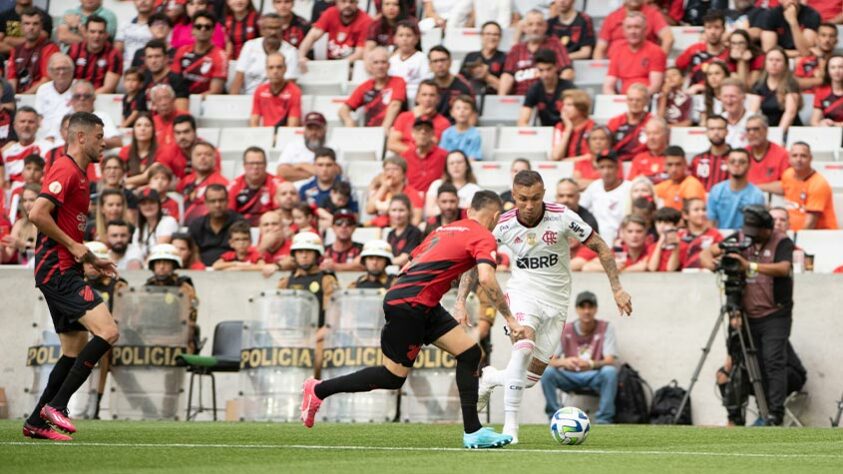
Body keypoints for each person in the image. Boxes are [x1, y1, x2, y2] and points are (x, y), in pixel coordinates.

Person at [302, 191, 522, 449]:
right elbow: (486, 278)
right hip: (412, 304)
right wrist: (511, 319)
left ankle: (473, 432)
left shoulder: (443, 229)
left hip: (418, 301)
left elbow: (414, 263)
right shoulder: (483, 235)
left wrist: (459, 302)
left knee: (470, 353)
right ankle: (318, 390)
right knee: (392, 377)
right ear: (495, 216)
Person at [471, 170, 632, 443]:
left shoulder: (562, 216)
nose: (529, 205)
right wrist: (461, 300)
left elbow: (601, 247)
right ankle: (510, 429)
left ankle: (490, 378)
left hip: (556, 303)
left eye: (535, 198)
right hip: (522, 295)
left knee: (529, 378)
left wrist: (617, 288)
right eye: (523, 199)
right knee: (523, 349)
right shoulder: (505, 224)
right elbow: (472, 257)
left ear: (543, 193)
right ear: (514, 196)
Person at [22, 112, 119, 441]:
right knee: (108, 331)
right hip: (57, 270)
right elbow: (37, 213)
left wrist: (90, 258)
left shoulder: (82, 175)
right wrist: (74, 247)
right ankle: (58, 406)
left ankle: (36, 420)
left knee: (74, 347)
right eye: (99, 136)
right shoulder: (65, 168)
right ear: (81, 137)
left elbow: (67, 230)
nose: (103, 142)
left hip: (65, 268)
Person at [700, 205, 796, 426]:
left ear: (767, 228)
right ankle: (735, 416)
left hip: (775, 314)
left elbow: (783, 268)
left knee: (773, 361)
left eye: (756, 230)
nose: (751, 235)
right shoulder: (741, 237)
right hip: (744, 314)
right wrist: (712, 265)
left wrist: (749, 265)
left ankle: (774, 414)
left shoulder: (782, 242)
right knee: (737, 362)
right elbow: (706, 253)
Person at [540, 291, 619, 424]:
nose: (586, 311)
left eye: (590, 307)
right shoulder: (566, 329)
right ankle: (554, 417)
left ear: (596, 309)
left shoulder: (606, 327)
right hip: (570, 375)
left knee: (610, 372)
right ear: (577, 309)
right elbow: (550, 359)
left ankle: (604, 420)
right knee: (547, 373)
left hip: (594, 375)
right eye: (583, 307)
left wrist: (590, 364)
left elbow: (610, 359)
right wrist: (565, 362)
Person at [278, 231, 339, 378]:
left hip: (317, 336)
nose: (304, 255)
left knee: (316, 359)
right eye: (300, 252)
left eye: (308, 252)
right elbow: (275, 317)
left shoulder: (326, 280)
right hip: (289, 335)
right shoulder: (285, 282)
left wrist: (310, 340)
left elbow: (333, 321)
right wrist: (280, 339)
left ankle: (314, 397)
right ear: (294, 255)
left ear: (317, 255)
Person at [499, 9, 572, 96]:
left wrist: (555, 95)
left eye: (539, 24)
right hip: (520, 97)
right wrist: (501, 100)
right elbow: (507, 76)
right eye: (530, 24)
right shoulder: (516, 49)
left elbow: (567, 71)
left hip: (546, 97)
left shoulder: (555, 44)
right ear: (524, 28)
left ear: (545, 27)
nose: (535, 29)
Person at [144, 242, 199, 353]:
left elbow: (189, 320)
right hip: (149, 336)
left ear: (174, 265)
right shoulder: (146, 287)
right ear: (152, 266)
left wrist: (177, 337)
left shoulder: (184, 287)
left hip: (177, 336)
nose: (162, 267)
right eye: (158, 263)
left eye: (166, 263)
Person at [230, 13, 300, 96]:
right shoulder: (249, 46)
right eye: (270, 28)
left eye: (277, 28)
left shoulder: (291, 51)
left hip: (276, 99)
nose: (273, 32)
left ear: (282, 30)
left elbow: (290, 85)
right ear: (262, 30)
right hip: (249, 98)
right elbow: (238, 78)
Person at [340, 47, 406, 129]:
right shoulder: (365, 86)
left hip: (391, 130)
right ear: (370, 67)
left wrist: (383, 130)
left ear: (389, 65)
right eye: (376, 63)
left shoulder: (398, 81)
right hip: (369, 131)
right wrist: (349, 121)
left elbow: (395, 105)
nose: (380, 66)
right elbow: (344, 109)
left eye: (383, 62)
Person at [603, 11, 666, 96]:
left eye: (637, 27)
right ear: (624, 31)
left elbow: (655, 86)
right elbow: (608, 86)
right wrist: (614, 100)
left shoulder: (656, 51)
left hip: (647, 99)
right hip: (624, 99)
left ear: (645, 30)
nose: (633, 31)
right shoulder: (618, 51)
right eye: (629, 27)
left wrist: (636, 98)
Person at [781, 142, 838, 231]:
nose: (798, 159)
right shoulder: (788, 174)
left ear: (810, 158)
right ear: (789, 159)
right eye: (794, 156)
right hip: (790, 232)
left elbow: (810, 224)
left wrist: (792, 240)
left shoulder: (819, 184)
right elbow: (782, 187)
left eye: (803, 156)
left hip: (819, 235)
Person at [298, 0, 372, 65]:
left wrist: (337, 66)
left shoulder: (366, 20)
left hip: (352, 65)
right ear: (336, 2)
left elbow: (360, 53)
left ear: (357, 2)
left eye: (351, 1)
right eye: (343, 1)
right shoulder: (330, 13)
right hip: (331, 62)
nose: (347, 5)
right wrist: (301, 56)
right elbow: (312, 36)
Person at [119, 112, 181, 188]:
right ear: (133, 130)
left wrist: (128, 183)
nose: (143, 129)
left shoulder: (162, 151)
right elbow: (118, 175)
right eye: (138, 125)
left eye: (147, 125)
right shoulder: (125, 151)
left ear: (153, 130)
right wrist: (143, 177)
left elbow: (161, 180)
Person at [172, 11, 228, 95]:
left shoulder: (220, 55)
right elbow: (174, 79)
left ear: (213, 31)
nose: (203, 29)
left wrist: (194, 101)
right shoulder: (182, 51)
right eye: (198, 26)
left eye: (207, 27)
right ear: (192, 30)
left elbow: (215, 91)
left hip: (206, 102)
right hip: (181, 98)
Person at [707, 149, 765, 230]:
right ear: (727, 165)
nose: (736, 164)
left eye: (742, 162)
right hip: (720, 238)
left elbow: (757, 227)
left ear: (749, 165)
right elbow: (710, 223)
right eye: (732, 161)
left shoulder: (757, 195)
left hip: (746, 239)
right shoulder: (716, 191)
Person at [594, 0, 672, 60]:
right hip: (615, 66)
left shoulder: (653, 14)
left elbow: (668, 39)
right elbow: (599, 49)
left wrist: (658, 63)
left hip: (644, 66)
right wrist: (599, 69)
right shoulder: (612, 17)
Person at [187, 184, 245, 265]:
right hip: (202, 272)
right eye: (212, 201)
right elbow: (193, 253)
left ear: (228, 201)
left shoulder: (239, 222)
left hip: (233, 270)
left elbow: (245, 251)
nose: (217, 205)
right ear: (206, 203)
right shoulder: (196, 225)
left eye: (221, 200)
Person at [387, 80, 450, 155]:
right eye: (424, 95)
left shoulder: (443, 122)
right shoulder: (403, 117)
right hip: (403, 161)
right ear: (417, 98)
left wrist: (419, 118)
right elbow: (392, 144)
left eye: (432, 95)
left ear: (438, 99)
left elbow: (428, 146)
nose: (428, 99)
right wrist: (414, 154)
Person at [580, 153, 632, 244]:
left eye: (610, 167)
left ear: (617, 168)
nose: (606, 172)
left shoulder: (629, 187)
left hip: (622, 239)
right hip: (596, 239)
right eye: (602, 167)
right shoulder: (594, 186)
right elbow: (580, 208)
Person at [7, 7, 59, 94]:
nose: (31, 27)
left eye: (35, 24)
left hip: (40, 96)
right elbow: (12, 79)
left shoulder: (50, 47)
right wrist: (14, 97)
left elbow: (46, 80)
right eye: (27, 23)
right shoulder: (16, 50)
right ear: (21, 26)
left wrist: (24, 96)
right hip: (19, 97)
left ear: (41, 26)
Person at [518, 49, 575, 127]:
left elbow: (577, 118)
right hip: (544, 133)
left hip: (567, 129)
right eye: (541, 70)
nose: (545, 74)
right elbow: (523, 120)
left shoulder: (569, 88)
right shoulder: (534, 89)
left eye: (549, 69)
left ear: (556, 67)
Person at [67, 15, 122, 94]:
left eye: (101, 32)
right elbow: (65, 77)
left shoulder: (114, 54)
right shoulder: (74, 49)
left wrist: (86, 98)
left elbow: (108, 88)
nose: (97, 36)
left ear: (106, 34)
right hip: (73, 95)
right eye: (92, 32)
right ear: (85, 33)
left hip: (100, 98)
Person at [750, 47, 802, 130]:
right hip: (766, 129)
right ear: (765, 63)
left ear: (785, 64)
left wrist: (778, 133)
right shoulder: (758, 85)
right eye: (770, 60)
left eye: (778, 60)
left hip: (788, 129)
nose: (774, 63)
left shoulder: (791, 84)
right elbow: (753, 111)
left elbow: (790, 113)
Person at [178, 141, 229, 223]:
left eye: (207, 154)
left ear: (214, 159)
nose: (203, 158)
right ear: (192, 158)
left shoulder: (221, 183)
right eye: (198, 154)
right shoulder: (185, 181)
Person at [227, 147, 280, 226]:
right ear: (244, 165)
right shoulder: (233, 186)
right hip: (241, 229)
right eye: (251, 163)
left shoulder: (278, 184)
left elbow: (281, 212)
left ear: (266, 165)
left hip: (270, 227)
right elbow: (228, 214)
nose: (255, 167)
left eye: (259, 163)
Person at [366, 156, 424, 227]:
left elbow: (416, 220)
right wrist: (384, 186)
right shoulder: (381, 191)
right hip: (380, 229)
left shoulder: (412, 193)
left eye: (395, 169)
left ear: (403, 174)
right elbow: (369, 209)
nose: (390, 173)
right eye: (387, 169)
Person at [675, 10, 728, 87]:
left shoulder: (729, 54)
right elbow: (677, 67)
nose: (712, 32)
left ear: (723, 29)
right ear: (704, 30)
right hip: (694, 95)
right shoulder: (694, 49)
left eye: (717, 27)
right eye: (709, 27)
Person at [582, 214, 651, 273]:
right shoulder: (617, 251)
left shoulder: (651, 249)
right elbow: (587, 267)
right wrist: (613, 269)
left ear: (646, 233)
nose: (634, 235)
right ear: (622, 233)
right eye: (630, 231)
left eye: (639, 231)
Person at [1, 106, 49, 189]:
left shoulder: (48, 148)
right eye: (22, 121)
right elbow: (4, 183)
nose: (26, 125)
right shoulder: (6, 152)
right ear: (14, 126)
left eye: (31, 122)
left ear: (38, 125)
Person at [249, 53, 302, 128]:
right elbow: (254, 121)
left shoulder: (294, 91)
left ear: (285, 69)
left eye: (279, 67)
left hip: (284, 136)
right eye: (271, 67)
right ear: (266, 70)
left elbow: (292, 126)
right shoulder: (260, 90)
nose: (275, 71)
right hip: (266, 135)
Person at [67, 81, 123, 150]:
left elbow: (117, 142)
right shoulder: (66, 118)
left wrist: (92, 141)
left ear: (93, 99)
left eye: (86, 96)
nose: (82, 99)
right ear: (71, 100)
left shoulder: (102, 116)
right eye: (77, 96)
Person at [424, 150, 481, 217]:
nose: (455, 166)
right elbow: (429, 211)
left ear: (467, 166)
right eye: (451, 163)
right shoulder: (436, 185)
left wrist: (442, 208)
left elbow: (473, 214)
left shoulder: (475, 189)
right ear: (446, 167)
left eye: (459, 162)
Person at [274, 112, 328, 181]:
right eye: (310, 129)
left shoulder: (332, 147)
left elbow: (336, 172)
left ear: (325, 130)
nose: (313, 133)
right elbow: (282, 172)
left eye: (317, 129)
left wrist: (302, 165)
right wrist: (319, 175)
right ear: (304, 130)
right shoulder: (293, 146)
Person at [401, 117, 449, 194]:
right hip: (411, 198)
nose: (423, 132)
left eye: (427, 130)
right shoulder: (404, 157)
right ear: (412, 133)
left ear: (433, 134)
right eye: (419, 129)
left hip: (436, 198)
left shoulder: (444, 156)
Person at [745, 114, 790, 195]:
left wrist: (755, 188)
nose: (751, 133)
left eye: (756, 129)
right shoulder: (742, 154)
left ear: (766, 131)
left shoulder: (782, 154)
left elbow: (787, 186)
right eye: (748, 130)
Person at [34, 54, 75, 142]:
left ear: (72, 71)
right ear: (49, 72)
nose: (61, 72)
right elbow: (38, 117)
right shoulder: (43, 89)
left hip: (70, 139)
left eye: (65, 68)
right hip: (44, 138)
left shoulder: (79, 88)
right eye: (57, 69)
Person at [141, 39, 190, 111]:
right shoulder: (145, 80)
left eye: (157, 56)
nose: (153, 61)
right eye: (149, 57)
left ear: (166, 58)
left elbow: (182, 113)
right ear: (145, 60)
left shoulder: (177, 80)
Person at [459, 21, 506, 95]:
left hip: (496, 100)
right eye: (488, 34)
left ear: (500, 37)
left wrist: (487, 76)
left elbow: (507, 89)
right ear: (481, 36)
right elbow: (460, 83)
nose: (492, 37)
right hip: (471, 100)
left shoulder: (506, 57)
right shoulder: (471, 56)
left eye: (495, 34)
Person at [607, 84, 651, 162]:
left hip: (642, 162)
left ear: (646, 101)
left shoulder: (652, 122)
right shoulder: (615, 121)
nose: (634, 103)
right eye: (631, 99)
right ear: (626, 101)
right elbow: (607, 145)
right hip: (616, 163)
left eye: (638, 100)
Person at [388, 19, 429, 103]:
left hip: (415, 98)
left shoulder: (422, 58)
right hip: (393, 97)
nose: (404, 39)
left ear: (416, 38)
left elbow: (426, 82)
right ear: (395, 39)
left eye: (408, 35)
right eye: (401, 35)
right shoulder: (391, 60)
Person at [654, 146, 707, 211]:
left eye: (678, 164)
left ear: (685, 164)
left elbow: (692, 215)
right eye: (670, 164)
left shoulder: (692, 185)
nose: (674, 169)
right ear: (664, 166)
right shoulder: (663, 186)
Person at [133, 188, 179, 259]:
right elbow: (136, 252)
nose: (148, 206)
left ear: (159, 205)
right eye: (144, 204)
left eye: (152, 202)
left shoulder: (169, 221)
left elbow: (160, 249)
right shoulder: (140, 228)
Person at [679, 197, 723, 270]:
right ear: (685, 215)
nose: (702, 213)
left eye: (704, 210)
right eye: (696, 210)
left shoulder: (716, 235)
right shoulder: (679, 236)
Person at [1, 183, 39, 265]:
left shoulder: (49, 223)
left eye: (32, 200)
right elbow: (7, 257)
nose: (27, 204)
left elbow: (49, 250)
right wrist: (1, 249)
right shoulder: (19, 224)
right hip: (23, 273)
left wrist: (23, 244)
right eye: (25, 200)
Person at [690, 116, 731, 192]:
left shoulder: (735, 159)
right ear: (706, 132)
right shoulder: (697, 160)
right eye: (712, 129)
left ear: (727, 132)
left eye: (720, 128)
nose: (716, 132)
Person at [795, 23, 838, 93]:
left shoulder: (840, 61)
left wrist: (821, 57)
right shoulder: (805, 61)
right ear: (817, 39)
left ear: (836, 41)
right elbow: (796, 83)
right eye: (823, 35)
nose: (827, 40)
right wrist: (822, 80)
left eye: (831, 36)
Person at [439, 95, 482, 161]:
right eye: (458, 108)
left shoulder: (475, 135)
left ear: (472, 113)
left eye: (466, 108)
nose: (462, 111)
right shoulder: (447, 134)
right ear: (452, 113)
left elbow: (473, 157)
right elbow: (442, 155)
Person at [114, 0, 154, 72]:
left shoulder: (160, 25)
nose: (143, 1)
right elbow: (117, 51)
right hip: (127, 70)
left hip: (149, 70)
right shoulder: (125, 24)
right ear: (134, 2)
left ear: (154, 1)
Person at [385, 194, 423, 267]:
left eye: (401, 210)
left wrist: (384, 262)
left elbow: (405, 259)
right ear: (389, 212)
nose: (397, 215)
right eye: (394, 210)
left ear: (409, 211)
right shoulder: (390, 234)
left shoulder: (414, 232)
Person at [627, 118, 669, 184]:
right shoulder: (639, 159)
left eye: (656, 133)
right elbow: (632, 184)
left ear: (666, 135)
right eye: (648, 134)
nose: (651, 137)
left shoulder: (674, 158)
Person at [646, 207, 684, 272]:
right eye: (658, 222)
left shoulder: (682, 245)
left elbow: (671, 269)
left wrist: (676, 247)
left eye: (666, 222)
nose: (662, 226)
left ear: (676, 225)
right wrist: (659, 244)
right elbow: (652, 268)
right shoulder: (653, 246)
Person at [720, 78, 753, 149]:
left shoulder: (753, 120)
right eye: (725, 96)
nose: (728, 101)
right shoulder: (719, 121)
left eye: (732, 96)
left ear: (743, 97)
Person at [811, 54, 843, 127]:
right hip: (828, 133)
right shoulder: (821, 91)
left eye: (841, 67)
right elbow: (814, 121)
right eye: (833, 67)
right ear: (827, 71)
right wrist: (821, 124)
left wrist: (836, 125)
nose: (837, 71)